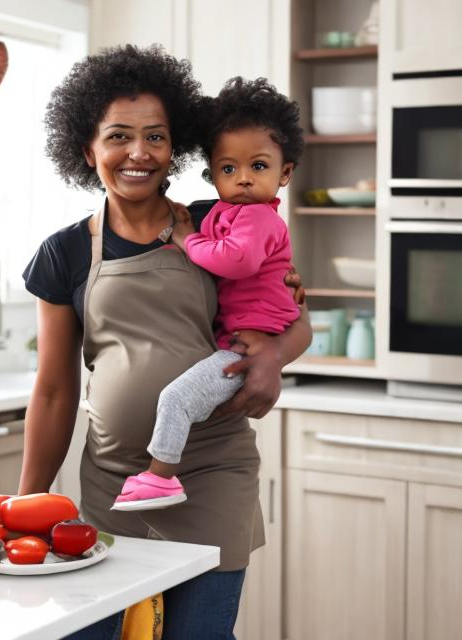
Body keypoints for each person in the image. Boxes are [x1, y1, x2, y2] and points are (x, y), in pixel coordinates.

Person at [20, 44, 311, 639]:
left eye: (155, 136)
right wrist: (26, 502)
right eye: (119, 136)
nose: (138, 153)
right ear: (88, 149)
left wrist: (275, 358)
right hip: (112, 485)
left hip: (212, 475)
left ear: (174, 148)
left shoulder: (221, 223)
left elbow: (293, 315)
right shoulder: (66, 252)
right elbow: (54, 391)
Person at [112, 77, 305, 512]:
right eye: (228, 169)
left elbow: (239, 264)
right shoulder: (219, 214)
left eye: (258, 167)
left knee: (175, 399)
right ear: (211, 171)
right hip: (105, 472)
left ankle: (160, 477)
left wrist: (185, 241)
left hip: (241, 350)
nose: (242, 180)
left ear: (285, 173)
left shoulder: (255, 218)